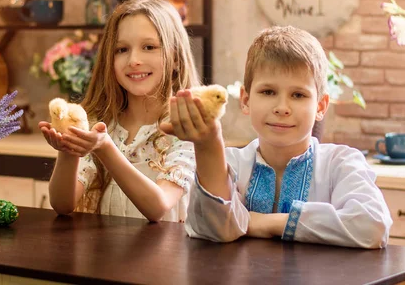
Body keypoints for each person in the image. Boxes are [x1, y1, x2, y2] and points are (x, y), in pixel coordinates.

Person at [162, 25, 392, 248]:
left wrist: (264, 223)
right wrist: (208, 145)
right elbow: (207, 228)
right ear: (245, 100)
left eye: (298, 95)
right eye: (268, 92)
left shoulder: (341, 163)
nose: (282, 107)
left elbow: (372, 226)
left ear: (321, 106)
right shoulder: (229, 163)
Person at [39, 0, 201, 222]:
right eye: (122, 49)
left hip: (170, 256)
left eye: (149, 47)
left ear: (175, 58)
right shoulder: (102, 123)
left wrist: (105, 147)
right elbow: (62, 204)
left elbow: (159, 207)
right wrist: (69, 149)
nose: (134, 60)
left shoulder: (187, 130)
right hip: (109, 256)